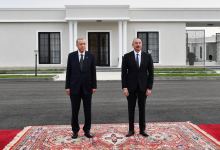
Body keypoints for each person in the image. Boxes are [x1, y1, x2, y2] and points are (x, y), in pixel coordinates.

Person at [121, 38, 154, 137]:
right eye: (136, 43)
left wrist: (149, 88)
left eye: (139, 43)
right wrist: (124, 87)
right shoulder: (127, 57)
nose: (138, 44)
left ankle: (142, 130)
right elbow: (123, 74)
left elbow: (151, 74)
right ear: (132, 44)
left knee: (142, 109)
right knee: (131, 109)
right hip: (130, 88)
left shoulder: (147, 57)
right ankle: (131, 130)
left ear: (142, 44)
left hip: (143, 88)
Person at [65, 38, 97, 139]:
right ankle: (75, 131)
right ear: (77, 45)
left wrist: (94, 86)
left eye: (84, 44)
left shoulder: (91, 56)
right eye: (80, 44)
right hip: (74, 88)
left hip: (87, 88)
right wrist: (67, 87)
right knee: (75, 110)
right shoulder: (71, 56)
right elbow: (68, 72)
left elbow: (93, 72)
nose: (82, 46)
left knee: (88, 110)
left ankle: (87, 130)